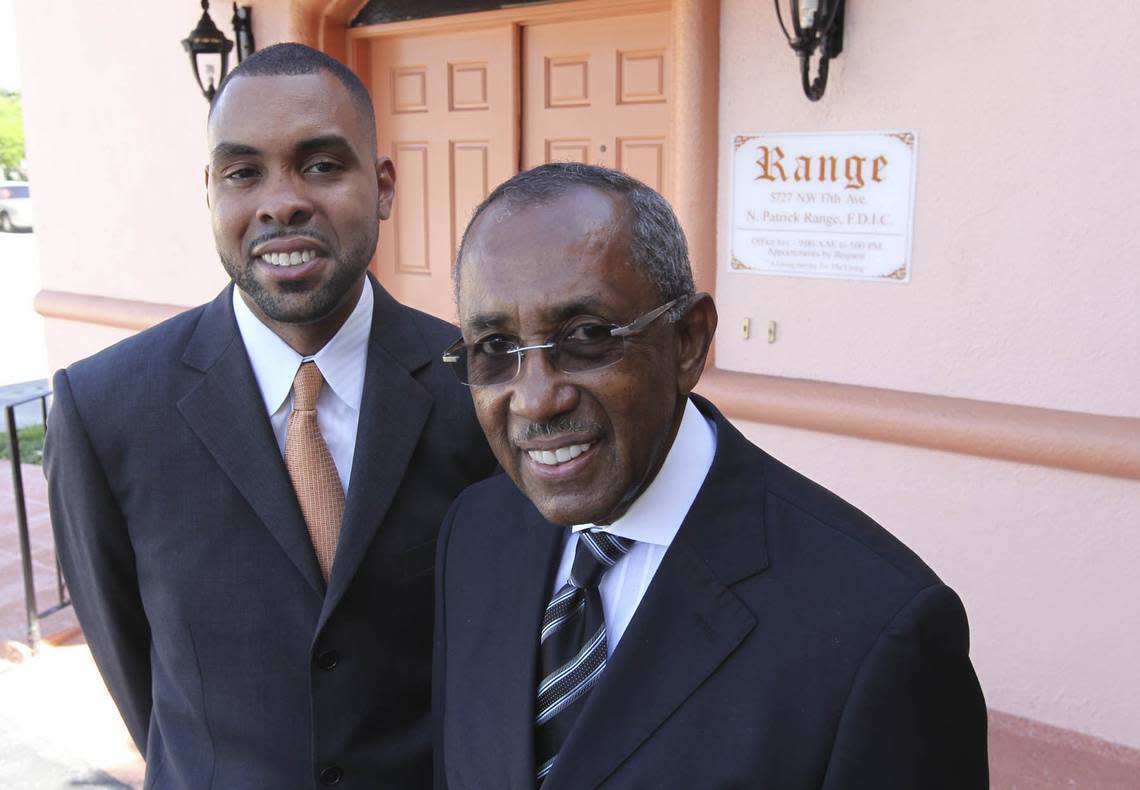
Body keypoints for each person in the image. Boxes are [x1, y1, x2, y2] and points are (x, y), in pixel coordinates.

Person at [433, 163, 988, 789]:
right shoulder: (473, 532)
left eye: (587, 335)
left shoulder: (878, 629)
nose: (535, 400)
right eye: (496, 348)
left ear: (689, 342)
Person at [44, 43, 495, 788]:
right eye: (243, 171)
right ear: (211, 193)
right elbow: (134, 668)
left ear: (382, 187)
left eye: (321, 164)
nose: (280, 200)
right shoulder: (104, 410)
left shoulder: (478, 385)